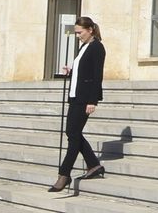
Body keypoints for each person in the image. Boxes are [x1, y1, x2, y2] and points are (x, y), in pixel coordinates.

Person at [49, 16, 106, 192]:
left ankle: (64, 174)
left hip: (85, 98)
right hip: (75, 96)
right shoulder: (84, 46)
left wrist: (92, 100)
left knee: (73, 135)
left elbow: (97, 76)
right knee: (72, 132)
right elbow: (83, 69)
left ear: (90, 30)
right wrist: (71, 70)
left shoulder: (97, 47)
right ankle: (94, 165)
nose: (77, 36)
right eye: (76, 33)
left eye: (80, 32)